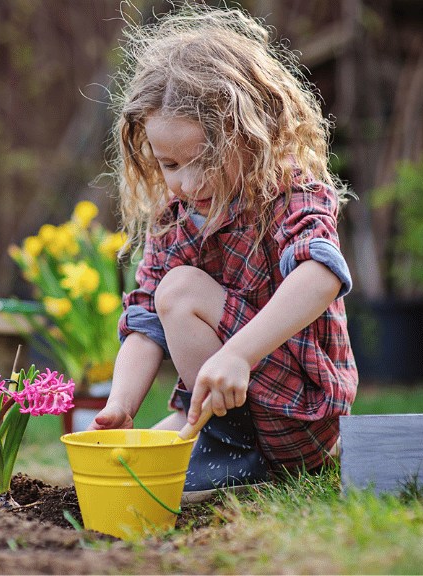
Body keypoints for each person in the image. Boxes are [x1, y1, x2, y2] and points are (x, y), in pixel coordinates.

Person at [90, 5, 358, 497]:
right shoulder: (174, 217)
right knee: (130, 469)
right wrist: (121, 404)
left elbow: (321, 274)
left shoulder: (289, 192)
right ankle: (223, 443)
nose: (188, 182)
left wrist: (238, 353)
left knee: (181, 290)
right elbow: (146, 320)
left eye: (205, 159)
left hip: (300, 411)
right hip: (230, 407)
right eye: (170, 163)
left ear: (251, 133)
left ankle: (235, 452)